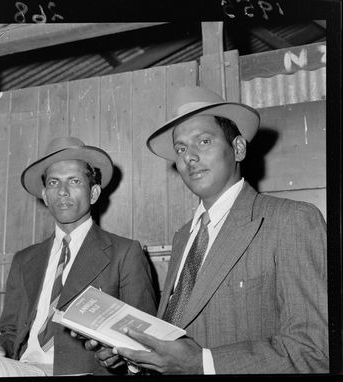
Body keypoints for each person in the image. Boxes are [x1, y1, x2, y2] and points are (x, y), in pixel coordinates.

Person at [85, 85, 328, 374]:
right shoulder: (184, 237)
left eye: (203, 141)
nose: (189, 157)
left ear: (237, 148)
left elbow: (315, 350)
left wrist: (203, 364)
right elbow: (173, 343)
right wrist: (129, 354)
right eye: (181, 148)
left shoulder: (292, 220)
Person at [0, 136, 157, 376]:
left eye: (74, 181)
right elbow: (10, 331)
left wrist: (121, 359)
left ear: (94, 193)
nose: (62, 192)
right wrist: (1, 348)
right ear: (45, 195)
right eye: (54, 183)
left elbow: (144, 342)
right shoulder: (24, 260)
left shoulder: (124, 253)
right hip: (21, 368)